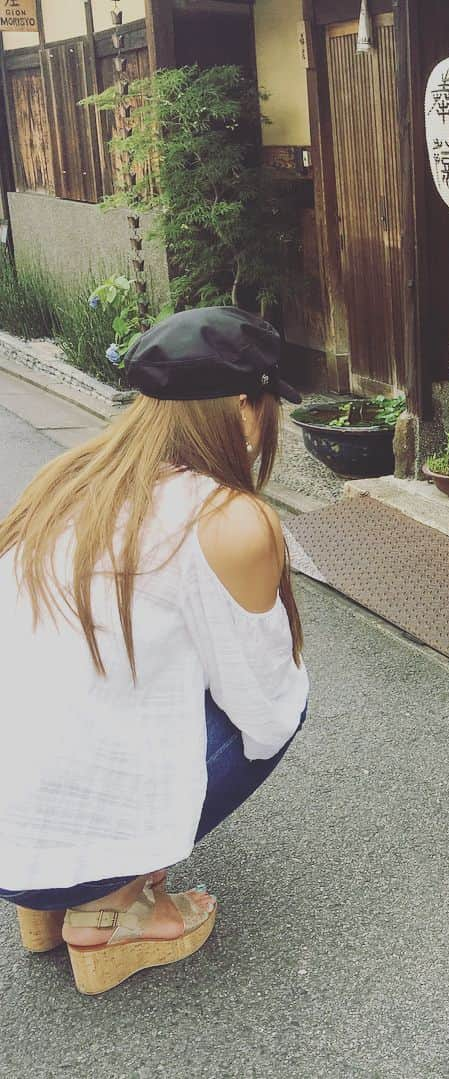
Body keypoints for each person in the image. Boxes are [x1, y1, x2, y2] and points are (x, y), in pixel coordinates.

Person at [0, 306, 310, 995]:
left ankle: (43, 902)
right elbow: (264, 709)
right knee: (290, 700)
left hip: (9, 834)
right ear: (241, 404)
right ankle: (110, 910)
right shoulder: (227, 517)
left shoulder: (68, 479)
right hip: (62, 835)